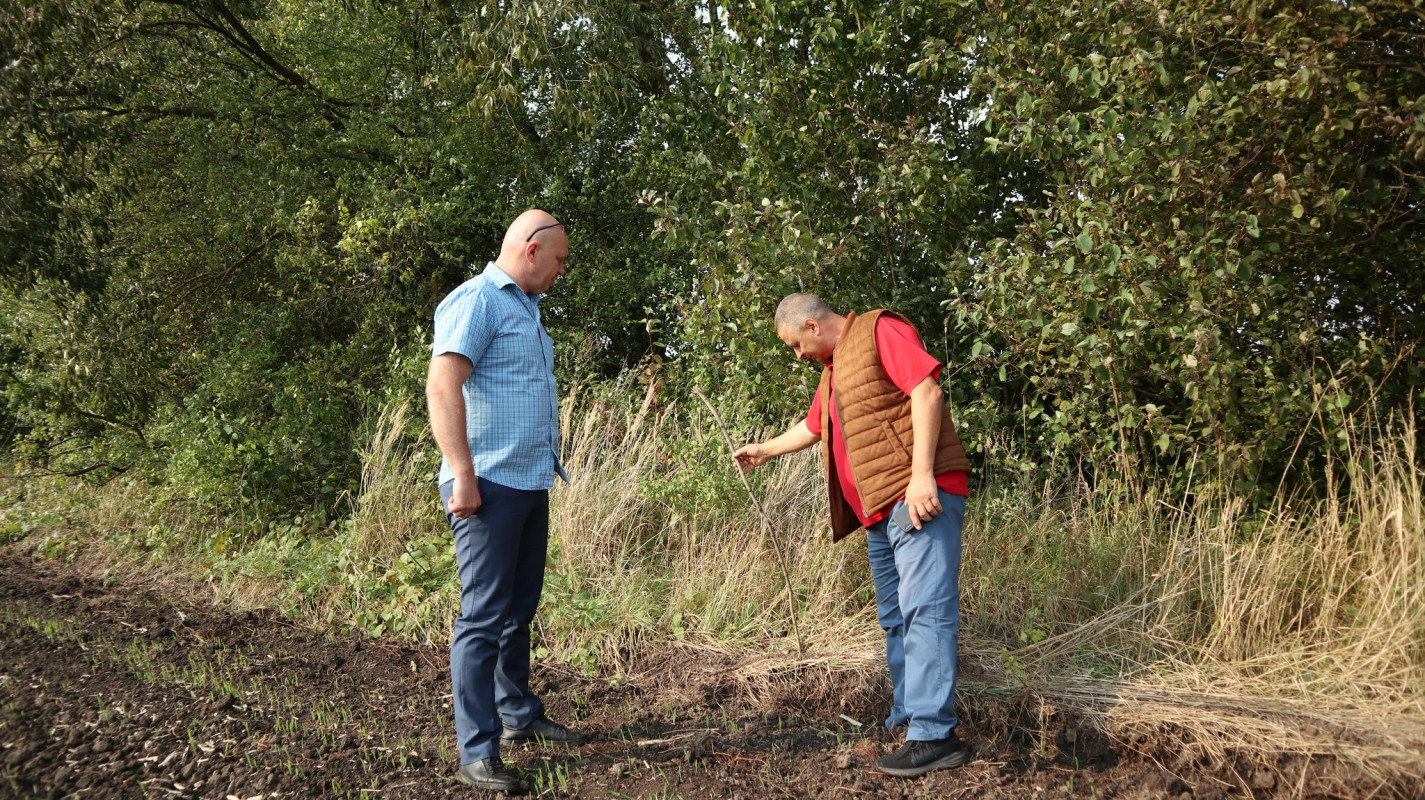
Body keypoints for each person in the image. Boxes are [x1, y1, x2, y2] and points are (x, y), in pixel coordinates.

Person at [733, 293, 973, 778]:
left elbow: (927, 392)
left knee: (925, 609)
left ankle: (934, 735)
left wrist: (922, 474)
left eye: (794, 344)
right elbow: (813, 426)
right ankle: (909, 718)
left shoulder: (880, 330)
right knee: (897, 619)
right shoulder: (835, 370)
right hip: (881, 514)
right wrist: (765, 450)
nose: (797, 355)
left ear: (810, 324)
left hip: (919, 498)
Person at [425, 209, 585, 794]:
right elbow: (442, 384)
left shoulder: (526, 309)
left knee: (519, 609)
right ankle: (477, 752)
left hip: (528, 480)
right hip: (488, 484)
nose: (562, 270)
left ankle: (518, 715)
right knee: (484, 617)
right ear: (532, 248)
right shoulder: (478, 300)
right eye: (560, 258)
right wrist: (462, 474)